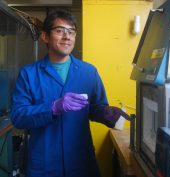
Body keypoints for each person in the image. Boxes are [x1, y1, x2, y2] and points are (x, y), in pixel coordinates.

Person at [10, 10, 131, 177]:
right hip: (45, 165)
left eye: (71, 31)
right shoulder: (29, 74)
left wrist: (105, 113)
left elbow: (95, 108)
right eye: (60, 30)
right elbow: (17, 116)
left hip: (81, 162)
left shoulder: (89, 72)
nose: (67, 36)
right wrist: (53, 107)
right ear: (45, 36)